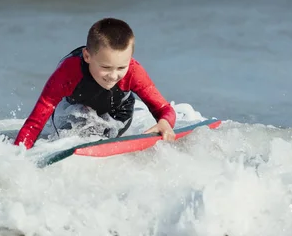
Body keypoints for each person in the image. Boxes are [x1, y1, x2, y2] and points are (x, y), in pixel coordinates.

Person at [14, 18, 176, 149]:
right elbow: (36, 121)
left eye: (121, 67)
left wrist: (165, 123)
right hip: (73, 111)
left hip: (117, 114)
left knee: (103, 138)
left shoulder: (134, 72)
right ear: (87, 56)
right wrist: (19, 153)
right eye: (105, 67)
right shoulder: (68, 72)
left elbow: (164, 109)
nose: (113, 76)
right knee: (66, 139)